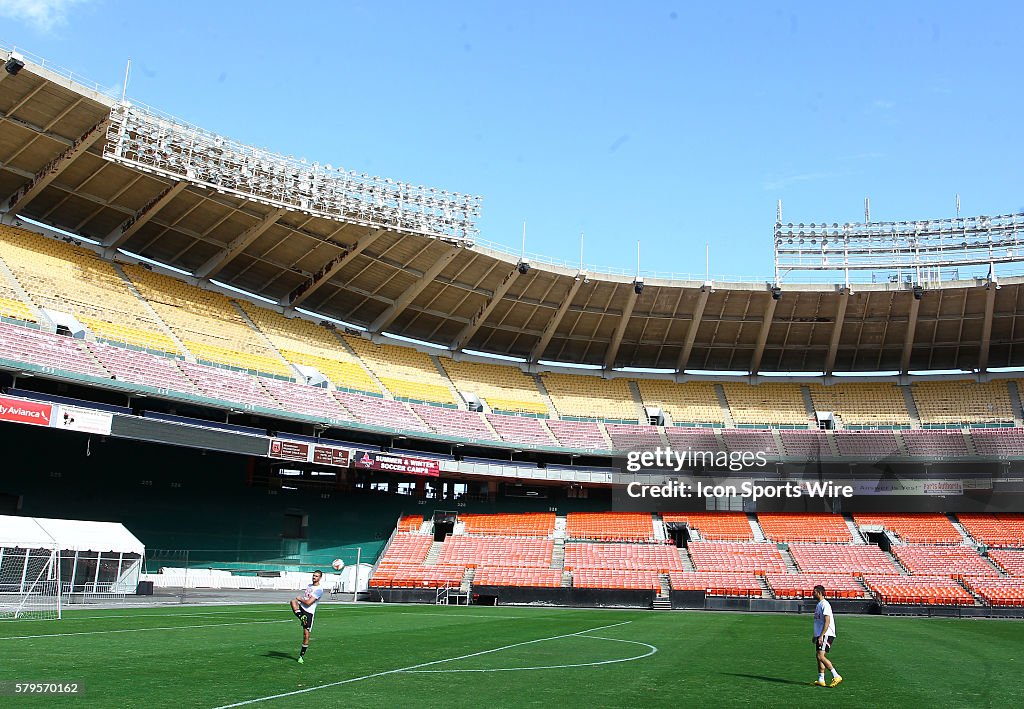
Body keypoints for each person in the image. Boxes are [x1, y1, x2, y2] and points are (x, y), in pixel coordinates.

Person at [289, 570, 324, 664]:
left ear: (320, 578)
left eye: (316, 576)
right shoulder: (309, 585)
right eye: (313, 575)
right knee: (293, 601)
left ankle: (301, 656)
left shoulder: (319, 590)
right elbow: (305, 599)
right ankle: (301, 616)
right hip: (302, 608)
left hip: (309, 612)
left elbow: (309, 602)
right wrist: (300, 599)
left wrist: (300, 598)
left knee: (306, 636)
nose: (314, 577)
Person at [811, 584, 843, 687]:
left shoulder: (825, 604)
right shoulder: (819, 604)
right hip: (821, 634)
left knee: (821, 656)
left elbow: (827, 621)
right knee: (819, 656)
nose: (813, 594)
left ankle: (836, 675)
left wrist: (821, 635)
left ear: (819, 592)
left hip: (826, 634)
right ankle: (821, 679)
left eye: (814, 592)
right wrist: (816, 635)